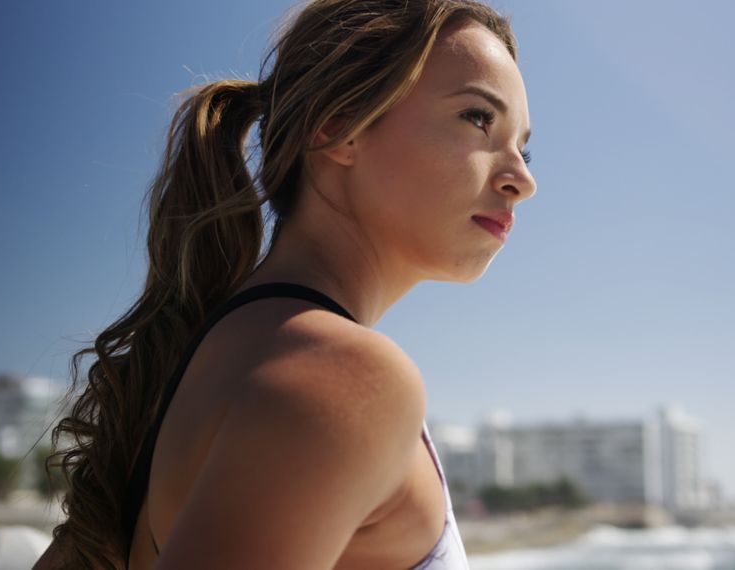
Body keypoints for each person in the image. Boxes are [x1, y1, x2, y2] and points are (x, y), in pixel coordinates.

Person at [36, 0, 535, 567]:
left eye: (524, 146)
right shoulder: (345, 376)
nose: (523, 178)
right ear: (339, 126)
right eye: (477, 117)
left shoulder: (218, 352)